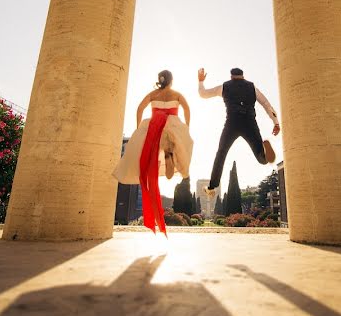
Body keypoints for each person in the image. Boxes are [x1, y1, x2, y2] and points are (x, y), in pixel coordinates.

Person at [113, 69, 193, 235]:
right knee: (178, 144)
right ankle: (170, 154)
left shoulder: (153, 94)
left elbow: (140, 108)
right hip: (171, 124)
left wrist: (138, 127)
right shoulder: (177, 94)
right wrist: (186, 125)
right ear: (171, 81)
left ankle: (163, 155)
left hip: (154, 125)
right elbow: (187, 109)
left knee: (148, 154)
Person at [198, 67, 280, 196]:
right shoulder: (252, 87)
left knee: (221, 152)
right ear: (243, 76)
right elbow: (266, 104)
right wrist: (275, 122)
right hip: (250, 123)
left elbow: (203, 94)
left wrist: (201, 81)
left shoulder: (224, 87)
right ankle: (264, 152)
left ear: (231, 76)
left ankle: (212, 186)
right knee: (262, 159)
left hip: (232, 123)